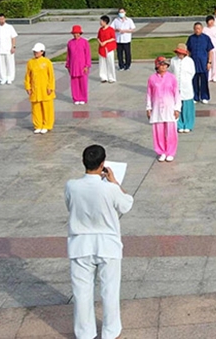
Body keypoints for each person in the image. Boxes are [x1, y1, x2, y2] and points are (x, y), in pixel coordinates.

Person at [65, 144, 133, 339]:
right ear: (103, 164)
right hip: (107, 245)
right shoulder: (110, 189)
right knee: (110, 290)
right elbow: (126, 204)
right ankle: (110, 332)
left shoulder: (71, 186)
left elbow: (70, 206)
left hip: (80, 244)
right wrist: (115, 183)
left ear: (84, 162)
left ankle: (84, 333)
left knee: (82, 292)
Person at [146, 57, 181, 162]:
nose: (164, 66)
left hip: (169, 107)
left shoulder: (172, 78)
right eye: (162, 64)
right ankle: (161, 151)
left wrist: (177, 108)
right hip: (157, 108)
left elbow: (177, 94)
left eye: (166, 65)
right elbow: (149, 94)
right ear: (157, 65)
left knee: (171, 131)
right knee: (158, 131)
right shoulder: (152, 79)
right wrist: (148, 107)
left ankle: (170, 151)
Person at [25, 43, 55, 134]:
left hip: (45, 89)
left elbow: (51, 76)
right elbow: (27, 76)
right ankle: (38, 125)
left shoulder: (47, 62)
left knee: (47, 108)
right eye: (34, 51)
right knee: (36, 108)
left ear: (42, 52)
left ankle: (47, 125)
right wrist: (28, 87)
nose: (35, 53)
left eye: (37, 51)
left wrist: (50, 87)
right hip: (35, 89)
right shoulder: (30, 62)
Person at [170, 44, 196, 133]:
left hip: (186, 86)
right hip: (176, 86)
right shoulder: (173, 60)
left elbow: (192, 73)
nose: (179, 55)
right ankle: (179, 124)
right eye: (178, 53)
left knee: (187, 106)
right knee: (177, 105)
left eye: (181, 53)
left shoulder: (190, 61)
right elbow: (171, 72)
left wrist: (186, 81)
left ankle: (188, 124)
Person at [186, 22, 214, 104]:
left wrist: (209, 62)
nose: (197, 30)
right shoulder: (191, 38)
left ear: (202, 29)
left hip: (203, 63)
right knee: (194, 81)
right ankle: (195, 97)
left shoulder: (206, 38)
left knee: (204, 81)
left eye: (199, 28)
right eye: (195, 29)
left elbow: (210, 51)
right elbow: (188, 51)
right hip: (193, 63)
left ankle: (204, 96)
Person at [66, 25, 91, 105]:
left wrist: (87, 65)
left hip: (82, 65)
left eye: (78, 33)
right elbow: (68, 55)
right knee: (74, 82)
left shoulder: (85, 42)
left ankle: (83, 98)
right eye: (74, 33)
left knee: (83, 82)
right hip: (73, 65)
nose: (76, 35)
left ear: (80, 33)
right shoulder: (70, 43)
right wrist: (68, 65)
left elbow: (87, 55)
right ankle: (76, 98)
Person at [0, 13, 18, 85]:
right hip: (0, 49)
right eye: (0, 19)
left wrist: (13, 46)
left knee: (10, 64)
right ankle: (3, 78)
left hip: (9, 49)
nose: (2, 20)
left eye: (3, 19)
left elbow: (13, 37)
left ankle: (10, 78)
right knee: (1, 64)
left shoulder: (10, 27)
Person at [97, 15, 117, 83]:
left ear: (105, 22)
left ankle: (111, 77)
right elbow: (98, 37)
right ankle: (103, 77)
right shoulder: (100, 29)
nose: (100, 22)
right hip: (102, 48)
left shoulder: (111, 29)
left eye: (101, 21)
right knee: (102, 63)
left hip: (109, 48)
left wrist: (105, 42)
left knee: (110, 62)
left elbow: (113, 38)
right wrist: (100, 42)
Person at [203, 15, 216, 82]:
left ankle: (215, 75)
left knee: (215, 61)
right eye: (209, 21)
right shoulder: (204, 29)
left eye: (212, 21)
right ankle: (209, 75)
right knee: (208, 61)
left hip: (215, 47)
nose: (211, 22)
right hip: (207, 48)